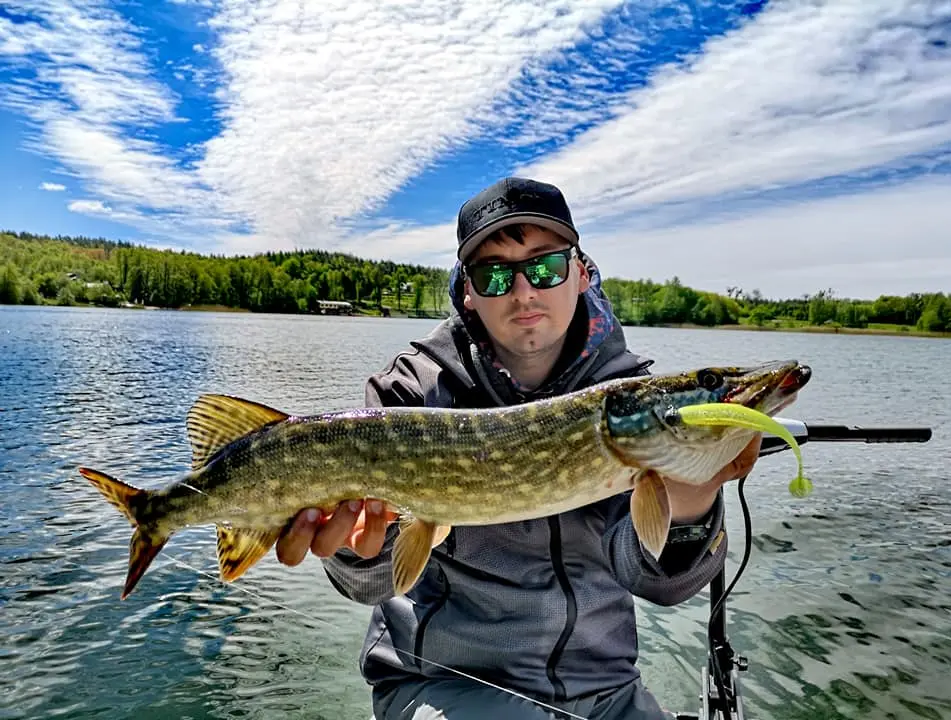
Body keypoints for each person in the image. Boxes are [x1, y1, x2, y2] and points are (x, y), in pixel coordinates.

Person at [275, 177, 762, 719]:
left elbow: (661, 586)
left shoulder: (624, 401)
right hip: (442, 686)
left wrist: (691, 498)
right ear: (468, 290)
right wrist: (354, 551)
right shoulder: (409, 396)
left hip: (607, 691)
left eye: (545, 267)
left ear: (580, 272)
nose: (524, 292)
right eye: (495, 274)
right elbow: (372, 583)